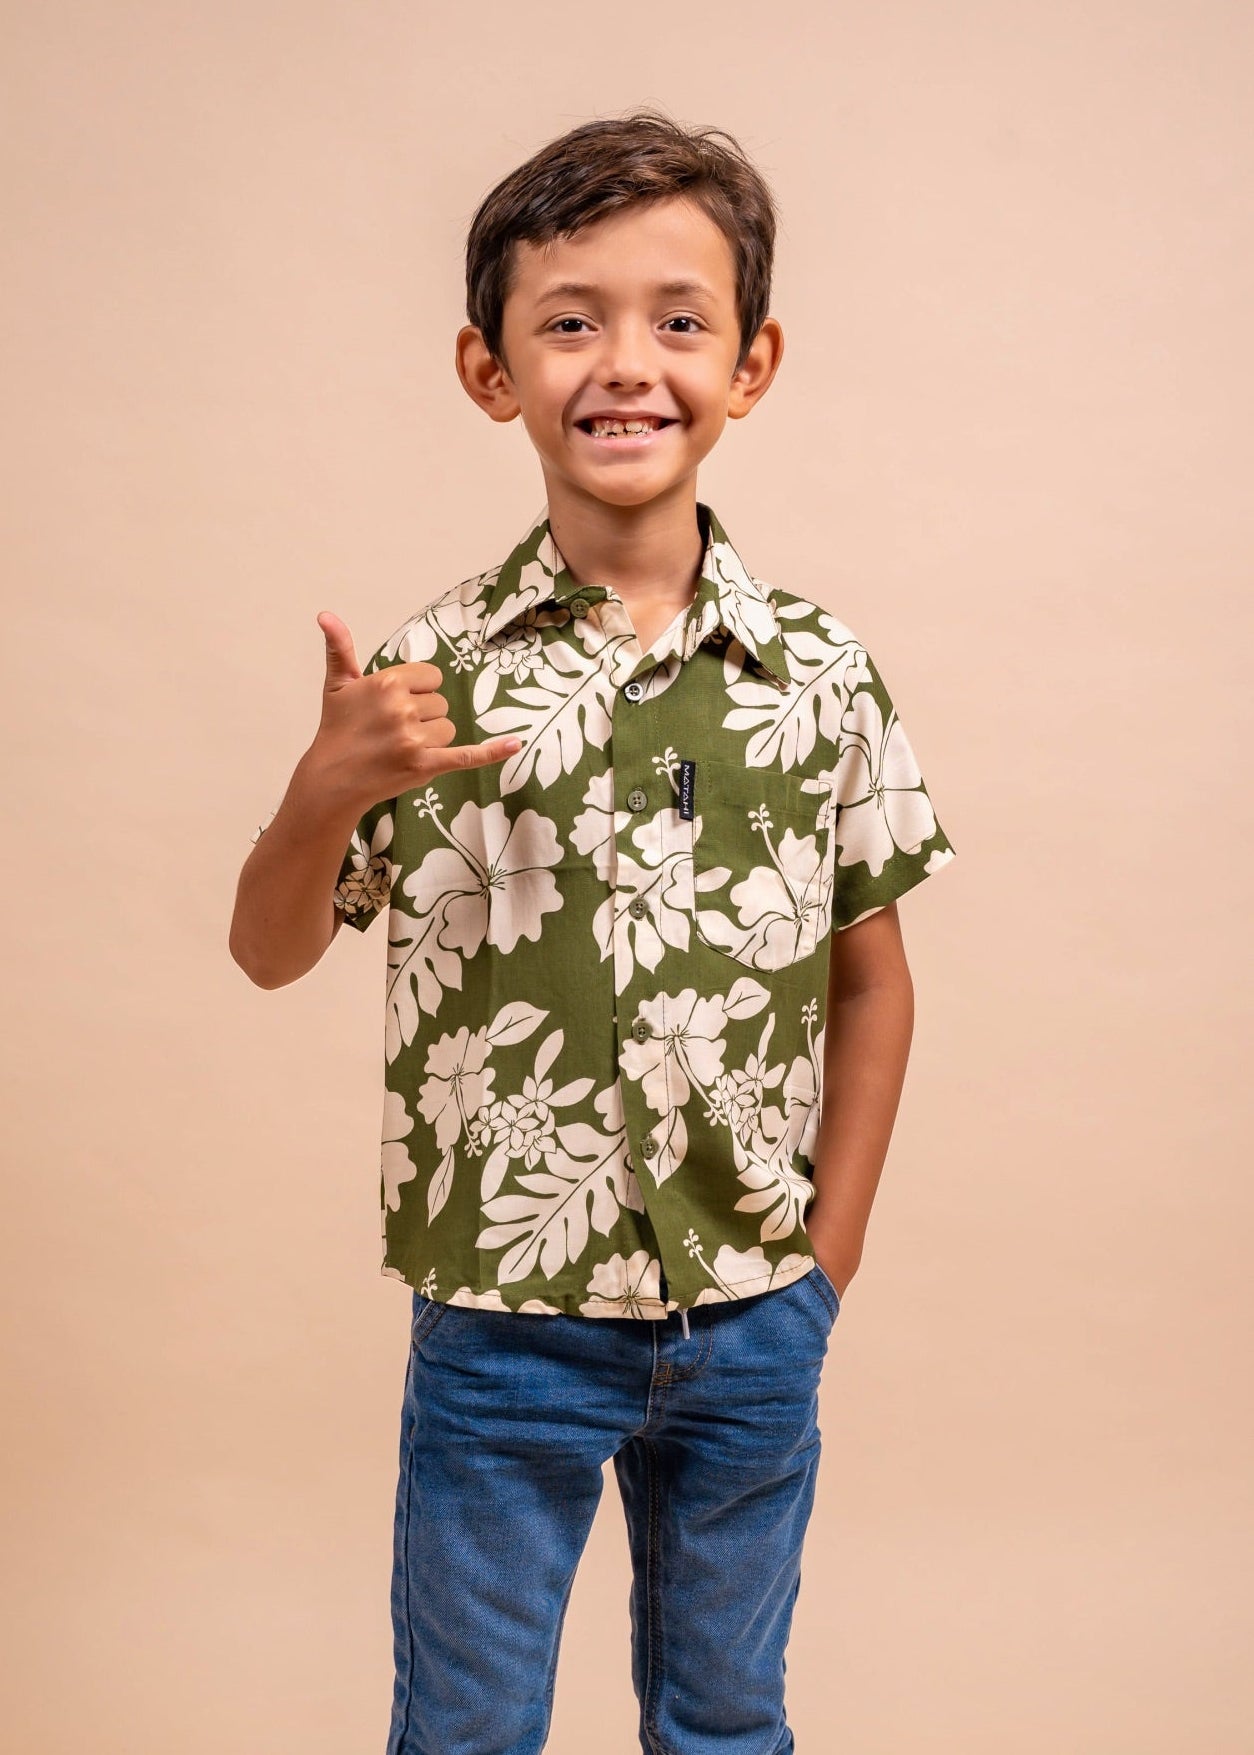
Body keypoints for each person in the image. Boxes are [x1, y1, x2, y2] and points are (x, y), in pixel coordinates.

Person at [230, 108, 956, 1755]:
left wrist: (817, 1266)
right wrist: (322, 787)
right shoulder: (428, 676)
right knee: (468, 1733)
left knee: (724, 1723)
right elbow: (270, 950)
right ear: (492, 369)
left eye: (676, 319)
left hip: (750, 1315)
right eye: (569, 320)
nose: (624, 363)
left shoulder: (818, 671)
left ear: (749, 363)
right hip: (501, 1327)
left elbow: (872, 978)